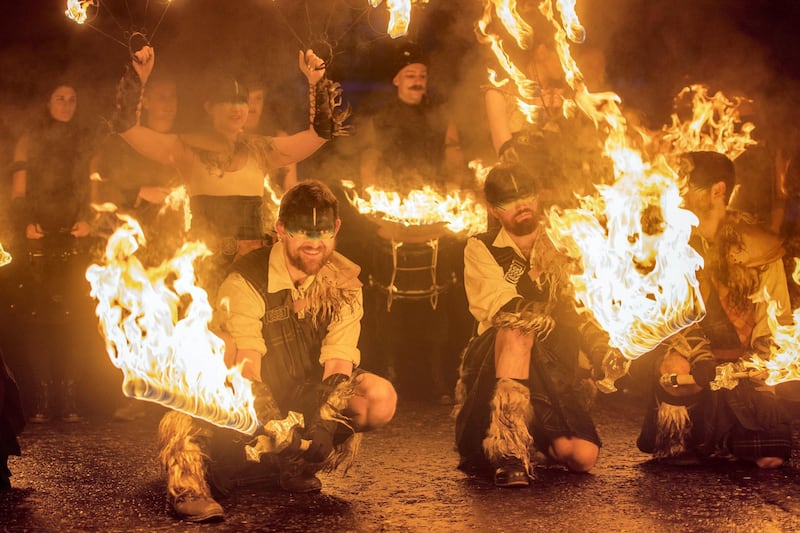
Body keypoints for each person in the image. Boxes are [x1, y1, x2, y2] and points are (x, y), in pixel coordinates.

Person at [156, 180, 397, 522]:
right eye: (302, 231)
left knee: (378, 398)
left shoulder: (344, 280)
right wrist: (274, 423)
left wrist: (323, 425)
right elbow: (246, 366)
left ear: (336, 228)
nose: (314, 242)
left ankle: (292, 463)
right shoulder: (244, 281)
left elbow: (338, 358)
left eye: (323, 231)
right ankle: (188, 483)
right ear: (281, 229)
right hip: (248, 395)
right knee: (220, 352)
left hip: (301, 387)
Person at [114, 45, 348, 293]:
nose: (236, 108)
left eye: (241, 101)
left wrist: (317, 81)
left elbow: (319, 134)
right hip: (205, 266)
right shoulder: (186, 148)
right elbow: (126, 128)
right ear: (209, 107)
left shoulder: (261, 150)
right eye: (227, 101)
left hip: (253, 268)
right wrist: (137, 77)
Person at [454, 162, 615, 488]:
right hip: (497, 363)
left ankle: (538, 442)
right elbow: (499, 305)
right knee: (517, 328)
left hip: (553, 367)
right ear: (493, 209)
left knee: (582, 457)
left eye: (526, 195)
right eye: (510, 200)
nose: (522, 205)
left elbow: (585, 306)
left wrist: (601, 351)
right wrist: (537, 277)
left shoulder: (567, 240)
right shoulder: (481, 246)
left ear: (538, 196)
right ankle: (509, 449)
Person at [633, 150, 792, 468]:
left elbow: (777, 318)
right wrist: (699, 357)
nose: (677, 193)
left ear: (717, 191)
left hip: (743, 371)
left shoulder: (757, 246)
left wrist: (763, 371)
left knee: (770, 458)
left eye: (687, 185)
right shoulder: (672, 241)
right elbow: (668, 318)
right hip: (693, 370)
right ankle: (684, 437)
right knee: (674, 374)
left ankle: (726, 439)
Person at [9, 81, 94, 423]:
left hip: (74, 235)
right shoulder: (30, 140)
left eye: (72, 98)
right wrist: (26, 222)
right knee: (41, 318)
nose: (66, 103)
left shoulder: (83, 140)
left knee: (73, 317)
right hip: (38, 235)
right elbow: (19, 191)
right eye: (59, 97)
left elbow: (92, 183)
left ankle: (68, 394)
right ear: (47, 101)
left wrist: (88, 218)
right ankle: (44, 395)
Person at [359, 41, 467, 191]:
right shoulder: (380, 119)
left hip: (434, 197)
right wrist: (369, 190)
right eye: (410, 76)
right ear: (396, 80)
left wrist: (454, 188)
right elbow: (369, 160)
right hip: (393, 197)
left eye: (422, 76)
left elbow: (453, 155)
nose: (417, 81)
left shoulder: (441, 116)